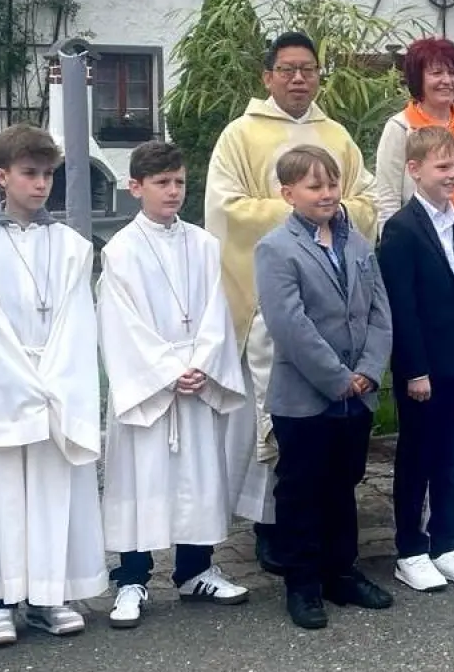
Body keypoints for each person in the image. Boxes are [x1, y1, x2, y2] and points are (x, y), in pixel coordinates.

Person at [204, 31, 377, 572]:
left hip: (333, 295)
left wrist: (326, 210)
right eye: (287, 69)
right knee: (275, 417)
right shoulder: (240, 135)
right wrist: (304, 212)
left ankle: (327, 534)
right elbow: (225, 209)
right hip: (269, 300)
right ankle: (270, 527)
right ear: (268, 76)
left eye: (308, 69)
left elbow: (367, 201)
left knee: (328, 427)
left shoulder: (336, 134)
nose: (299, 78)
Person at [0, 124, 106, 645]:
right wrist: (23, 382)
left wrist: (52, 384)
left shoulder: (71, 246)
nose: (41, 184)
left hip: (54, 387)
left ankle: (48, 596)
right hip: (4, 386)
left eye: (47, 175)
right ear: (1, 177)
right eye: (29, 173)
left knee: (50, 493)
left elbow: (76, 323)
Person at [99, 141, 250, 630]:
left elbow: (216, 310)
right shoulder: (120, 251)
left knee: (197, 478)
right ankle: (131, 579)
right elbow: (119, 322)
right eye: (162, 183)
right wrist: (167, 371)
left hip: (197, 379)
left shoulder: (204, 244)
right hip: (149, 385)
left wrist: (202, 364)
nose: (173, 191)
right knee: (139, 481)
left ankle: (195, 570)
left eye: (180, 182)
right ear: (135, 187)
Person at [254, 145, 393, 630]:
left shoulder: (358, 244)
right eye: (314, 186)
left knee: (343, 484)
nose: (327, 193)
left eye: (332, 184)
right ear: (288, 193)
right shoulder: (276, 249)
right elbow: (289, 325)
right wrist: (337, 378)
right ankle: (303, 583)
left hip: (358, 393)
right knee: (302, 490)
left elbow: (379, 311)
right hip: (306, 395)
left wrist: (369, 370)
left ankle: (341, 572)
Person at [376, 127, 454, 593]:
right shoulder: (401, 229)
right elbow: (401, 306)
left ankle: (448, 542)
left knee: (452, 456)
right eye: (442, 166)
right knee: (417, 458)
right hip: (424, 369)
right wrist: (414, 370)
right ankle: (410, 549)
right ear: (414, 169)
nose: (452, 174)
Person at [372, 37, 454, 227]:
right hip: (421, 238)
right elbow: (387, 200)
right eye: (437, 73)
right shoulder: (401, 127)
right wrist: (393, 240)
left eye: (453, 73)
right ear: (418, 79)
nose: (447, 81)